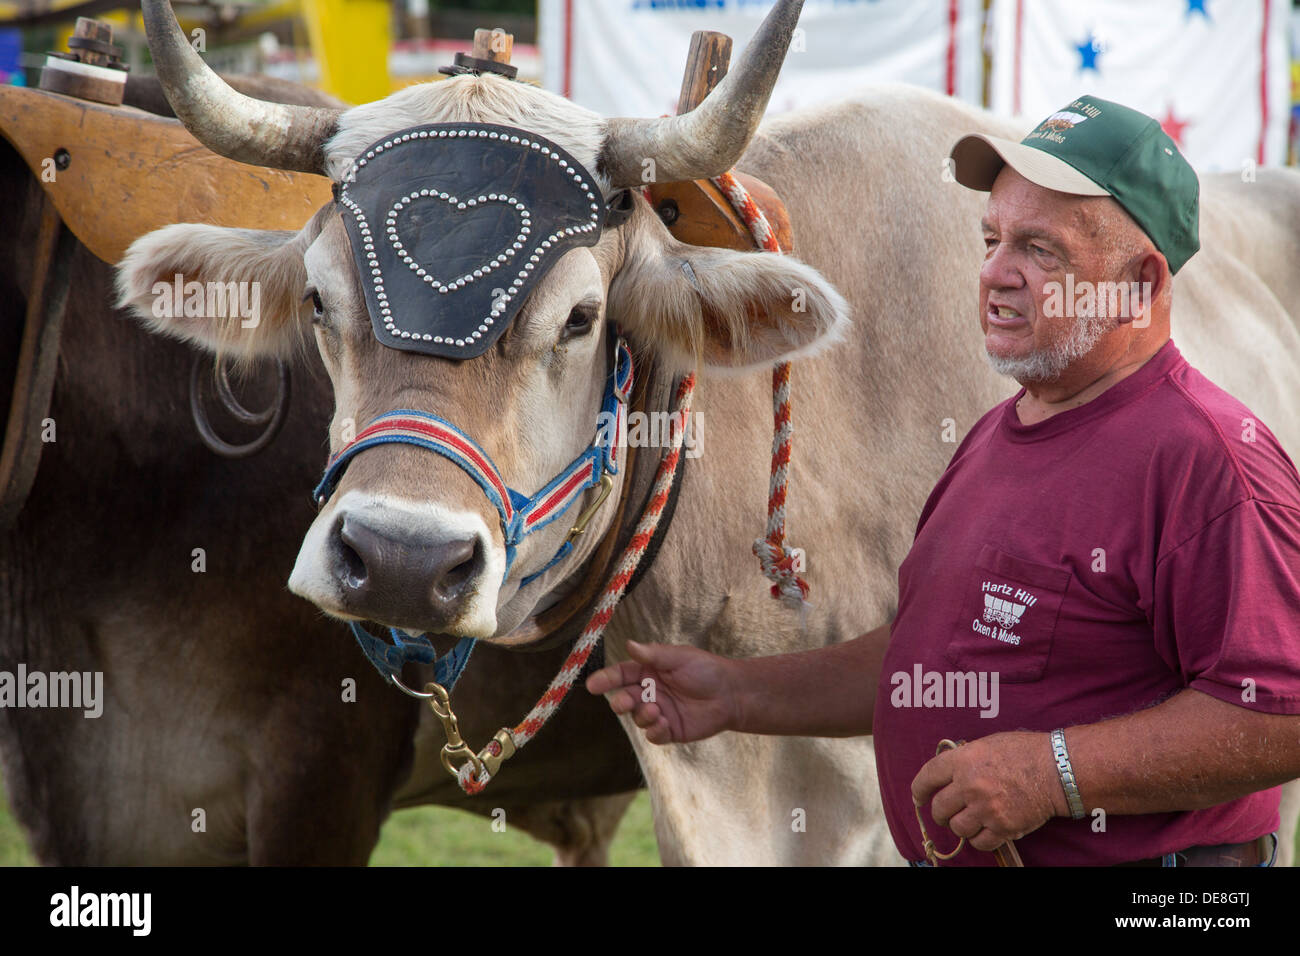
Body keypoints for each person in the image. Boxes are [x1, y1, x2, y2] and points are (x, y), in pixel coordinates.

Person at [585, 95, 1300, 866]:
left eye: (1040, 250)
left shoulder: (1211, 461)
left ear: (1138, 281)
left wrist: (1052, 775)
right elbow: (933, 659)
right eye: (991, 239)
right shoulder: (1003, 430)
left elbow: (1280, 714)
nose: (995, 273)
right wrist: (739, 693)